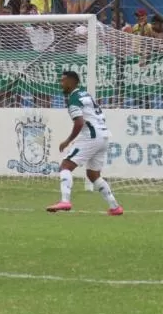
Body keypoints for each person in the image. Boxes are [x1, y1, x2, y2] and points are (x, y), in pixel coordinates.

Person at [47, 71, 122, 215]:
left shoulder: (74, 99)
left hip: (91, 136)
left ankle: (65, 200)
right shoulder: (85, 94)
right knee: (93, 175)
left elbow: (79, 122)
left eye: (63, 81)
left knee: (65, 166)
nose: (61, 84)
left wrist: (68, 140)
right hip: (104, 136)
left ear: (71, 81)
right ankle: (115, 207)